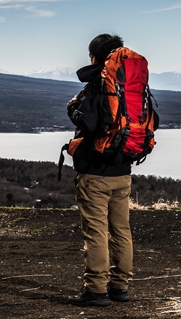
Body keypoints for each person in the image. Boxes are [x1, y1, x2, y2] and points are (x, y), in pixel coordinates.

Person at [66, 33, 133, 307]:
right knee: (121, 231)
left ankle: (96, 290)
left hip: (95, 172)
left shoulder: (98, 84)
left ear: (95, 57)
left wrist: (72, 109)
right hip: (123, 169)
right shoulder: (129, 83)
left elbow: (90, 123)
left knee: (96, 232)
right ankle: (120, 287)